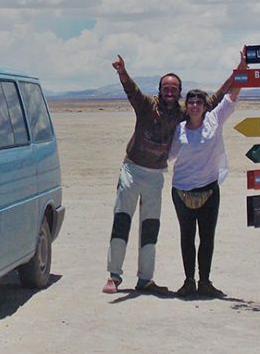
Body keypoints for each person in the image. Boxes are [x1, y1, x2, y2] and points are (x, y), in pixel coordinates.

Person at [103, 55, 225, 295]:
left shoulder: (182, 112)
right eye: (166, 88)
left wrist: (237, 73)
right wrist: (122, 72)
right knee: (122, 219)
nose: (170, 92)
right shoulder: (147, 105)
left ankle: (145, 279)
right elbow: (132, 91)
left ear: (179, 92)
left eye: (174, 89)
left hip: (156, 175)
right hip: (132, 169)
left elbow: (213, 100)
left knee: (150, 226)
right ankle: (114, 276)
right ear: (160, 90)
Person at [167, 48, 247, 298]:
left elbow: (232, 95)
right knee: (187, 237)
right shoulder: (178, 129)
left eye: (198, 102)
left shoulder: (215, 119)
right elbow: (168, 156)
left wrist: (243, 65)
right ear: (186, 105)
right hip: (181, 191)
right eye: (190, 102)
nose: (194, 106)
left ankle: (205, 282)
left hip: (210, 188)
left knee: (207, 237)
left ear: (204, 105)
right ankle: (188, 281)